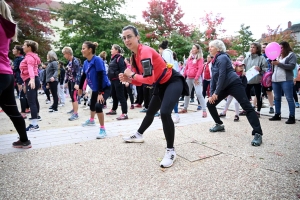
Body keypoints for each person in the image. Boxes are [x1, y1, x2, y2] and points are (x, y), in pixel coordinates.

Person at [119, 25, 188, 168]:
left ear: (138, 37)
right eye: (124, 37)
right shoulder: (134, 56)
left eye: (129, 36)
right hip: (160, 84)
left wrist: (131, 75)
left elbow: (149, 79)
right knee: (150, 111)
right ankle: (139, 134)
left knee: (164, 113)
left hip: (173, 81)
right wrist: (129, 80)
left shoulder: (144, 52)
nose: (126, 40)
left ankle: (171, 151)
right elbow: (141, 82)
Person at [206, 39, 263, 146]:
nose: (209, 48)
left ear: (218, 48)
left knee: (247, 107)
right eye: (209, 46)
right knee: (210, 103)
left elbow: (222, 75)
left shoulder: (222, 57)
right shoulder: (213, 61)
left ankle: (258, 133)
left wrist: (216, 93)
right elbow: (214, 78)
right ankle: (219, 124)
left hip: (233, 84)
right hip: (224, 86)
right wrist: (211, 94)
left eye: (212, 46)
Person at [0, 0, 31, 148]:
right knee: (12, 110)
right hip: (6, 74)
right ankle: (24, 140)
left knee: (12, 110)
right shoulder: (6, 26)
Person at [78, 41, 111, 139]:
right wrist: (80, 88)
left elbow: (101, 75)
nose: (82, 50)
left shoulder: (97, 60)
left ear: (90, 50)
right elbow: (83, 76)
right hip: (96, 88)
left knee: (98, 106)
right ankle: (92, 120)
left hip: (104, 87)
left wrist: (100, 93)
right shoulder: (85, 62)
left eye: (83, 48)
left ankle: (102, 129)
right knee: (92, 105)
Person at [269, 41, 297, 124]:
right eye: (278, 48)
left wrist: (279, 64)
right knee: (277, 98)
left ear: (286, 47)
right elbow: (274, 68)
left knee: (289, 98)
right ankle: (277, 114)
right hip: (275, 80)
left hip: (286, 79)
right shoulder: (276, 55)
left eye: (281, 48)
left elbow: (292, 66)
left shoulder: (291, 55)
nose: (280, 49)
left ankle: (292, 116)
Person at [240, 43, 267, 117]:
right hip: (248, 80)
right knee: (245, 95)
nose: (251, 48)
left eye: (253, 47)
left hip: (257, 80)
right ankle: (246, 109)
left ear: (257, 49)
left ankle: (258, 111)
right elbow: (242, 67)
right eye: (251, 47)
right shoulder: (247, 58)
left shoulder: (261, 58)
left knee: (258, 96)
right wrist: (243, 71)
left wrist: (260, 69)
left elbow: (266, 68)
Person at [179, 44, 207, 117]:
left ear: (198, 49)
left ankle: (204, 110)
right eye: (192, 48)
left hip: (196, 79)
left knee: (199, 93)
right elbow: (186, 67)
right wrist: (183, 76)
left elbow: (200, 68)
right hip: (189, 78)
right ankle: (185, 108)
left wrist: (197, 77)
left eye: (194, 48)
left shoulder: (200, 58)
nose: (192, 49)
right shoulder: (190, 58)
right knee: (187, 93)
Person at [20, 40, 41, 132]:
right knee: (34, 100)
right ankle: (35, 120)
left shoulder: (29, 57)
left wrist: (31, 80)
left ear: (29, 47)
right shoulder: (31, 56)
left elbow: (30, 69)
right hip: (31, 80)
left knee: (31, 102)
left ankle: (35, 125)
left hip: (31, 80)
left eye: (24, 45)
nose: (23, 46)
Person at [106, 44, 128, 120]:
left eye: (112, 49)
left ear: (116, 50)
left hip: (118, 80)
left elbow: (122, 69)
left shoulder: (119, 58)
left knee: (121, 96)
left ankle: (124, 113)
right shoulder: (113, 58)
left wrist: (122, 79)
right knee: (114, 96)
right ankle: (114, 110)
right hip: (113, 80)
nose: (111, 50)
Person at [62, 46, 81, 121]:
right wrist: (66, 82)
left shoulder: (75, 61)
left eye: (64, 54)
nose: (64, 56)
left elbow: (78, 73)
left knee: (74, 97)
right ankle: (74, 109)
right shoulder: (69, 61)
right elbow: (68, 73)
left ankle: (76, 114)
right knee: (71, 96)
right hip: (70, 82)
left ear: (68, 53)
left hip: (74, 82)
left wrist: (77, 83)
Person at [261, 43, 275, 114]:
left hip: (268, 77)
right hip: (260, 76)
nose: (263, 48)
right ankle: (254, 106)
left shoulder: (271, 56)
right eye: (262, 47)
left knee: (269, 92)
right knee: (259, 92)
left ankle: (271, 106)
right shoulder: (260, 56)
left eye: (264, 47)